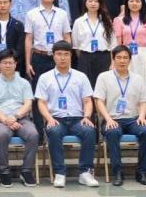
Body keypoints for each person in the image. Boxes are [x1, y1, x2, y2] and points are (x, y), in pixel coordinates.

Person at [35, 41, 100, 187]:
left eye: (66, 54)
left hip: (78, 119)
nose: (62, 58)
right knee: (54, 132)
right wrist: (49, 119)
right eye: (59, 54)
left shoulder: (80, 77)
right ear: (53, 56)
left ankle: (85, 172)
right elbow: (41, 103)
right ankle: (59, 173)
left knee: (89, 131)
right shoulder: (45, 77)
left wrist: (86, 117)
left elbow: (87, 101)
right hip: (56, 119)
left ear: (71, 56)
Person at [94, 46, 146, 185]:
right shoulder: (104, 77)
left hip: (133, 119)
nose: (122, 61)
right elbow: (99, 101)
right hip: (112, 119)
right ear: (113, 59)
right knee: (113, 132)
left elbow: (143, 102)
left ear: (130, 60)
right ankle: (118, 172)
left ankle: (142, 172)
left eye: (125, 58)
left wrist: (142, 117)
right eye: (119, 58)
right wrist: (108, 119)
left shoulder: (138, 79)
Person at [0, 49, 39, 187]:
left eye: (11, 62)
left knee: (33, 134)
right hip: (0, 120)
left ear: (16, 64)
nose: (8, 65)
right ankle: (4, 171)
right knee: (2, 134)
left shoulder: (24, 83)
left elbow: (28, 104)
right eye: (4, 62)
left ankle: (26, 171)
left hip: (21, 118)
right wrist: (5, 120)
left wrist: (15, 117)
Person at [23, 0, 72, 84]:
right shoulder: (31, 14)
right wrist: (28, 63)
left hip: (59, 57)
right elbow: (28, 39)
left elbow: (67, 37)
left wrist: (69, 62)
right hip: (39, 56)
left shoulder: (62, 14)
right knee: (38, 87)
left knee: (60, 86)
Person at [71, 0, 115, 91]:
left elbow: (112, 44)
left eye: (96, 1)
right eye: (90, 1)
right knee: (86, 88)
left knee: (103, 88)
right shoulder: (79, 22)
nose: (93, 3)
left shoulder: (106, 21)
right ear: (85, 3)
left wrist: (112, 63)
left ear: (100, 3)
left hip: (104, 57)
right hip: (85, 58)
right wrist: (84, 57)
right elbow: (76, 45)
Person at [113, 0, 146, 78]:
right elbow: (117, 44)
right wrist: (113, 63)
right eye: (131, 1)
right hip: (125, 55)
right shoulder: (119, 20)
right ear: (127, 3)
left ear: (142, 3)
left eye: (137, 1)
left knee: (144, 81)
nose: (134, 3)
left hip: (143, 54)